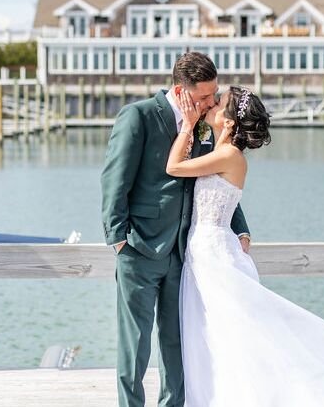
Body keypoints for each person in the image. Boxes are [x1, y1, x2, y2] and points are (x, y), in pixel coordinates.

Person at [165, 86, 324, 406]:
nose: (211, 106)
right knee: (211, 339)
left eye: (218, 104)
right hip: (204, 254)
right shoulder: (220, 151)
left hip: (214, 257)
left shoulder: (229, 156)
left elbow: (173, 167)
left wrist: (187, 124)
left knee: (231, 341)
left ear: (228, 123)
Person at [101, 52, 251, 407]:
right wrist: (118, 238)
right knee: (134, 346)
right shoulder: (137, 116)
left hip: (185, 253)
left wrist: (241, 228)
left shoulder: (202, 123)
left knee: (177, 343)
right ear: (180, 90)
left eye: (214, 96)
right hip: (139, 248)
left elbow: (215, 181)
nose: (210, 103)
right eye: (203, 98)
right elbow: (114, 180)